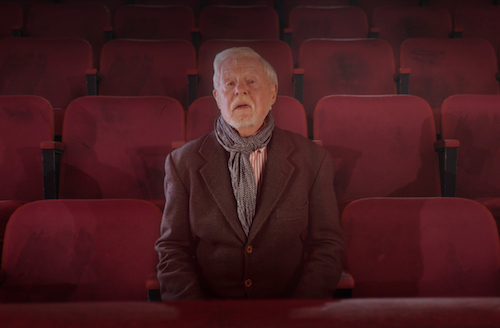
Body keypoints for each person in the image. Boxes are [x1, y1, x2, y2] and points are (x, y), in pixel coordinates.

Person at [155, 47, 345, 299]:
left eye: (252, 81)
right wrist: (195, 316)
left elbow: (327, 245)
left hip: (287, 311)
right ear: (217, 97)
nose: (239, 90)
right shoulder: (183, 162)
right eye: (229, 83)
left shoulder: (312, 159)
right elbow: (172, 249)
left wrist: (302, 312)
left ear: (273, 93)